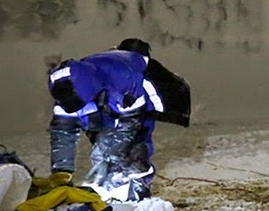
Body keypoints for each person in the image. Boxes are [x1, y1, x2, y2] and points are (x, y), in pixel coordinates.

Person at [46, 38, 191, 201]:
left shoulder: (123, 78)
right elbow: (63, 134)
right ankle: (110, 182)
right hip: (106, 97)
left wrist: (111, 155)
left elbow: (131, 125)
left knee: (135, 144)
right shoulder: (66, 93)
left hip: (137, 96)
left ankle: (138, 184)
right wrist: (61, 171)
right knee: (102, 142)